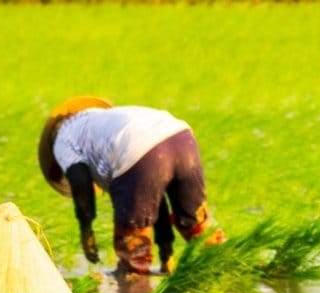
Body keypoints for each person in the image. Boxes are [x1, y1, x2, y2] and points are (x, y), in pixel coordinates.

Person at [39, 96, 227, 276]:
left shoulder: (63, 139)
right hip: (181, 138)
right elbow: (154, 196)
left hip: (141, 154)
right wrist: (165, 253)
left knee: (133, 252)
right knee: (197, 227)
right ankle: (229, 270)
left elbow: (80, 181)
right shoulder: (105, 122)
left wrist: (86, 230)